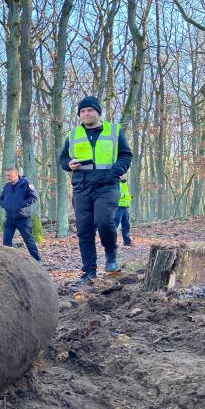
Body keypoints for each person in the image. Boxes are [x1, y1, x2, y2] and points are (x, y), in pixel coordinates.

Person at [60, 95, 132, 282]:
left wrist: (113, 173)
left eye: (90, 110)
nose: (86, 114)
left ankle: (110, 253)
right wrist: (70, 164)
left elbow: (125, 155)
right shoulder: (73, 135)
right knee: (84, 230)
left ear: (98, 112)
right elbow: (63, 160)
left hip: (107, 185)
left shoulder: (114, 131)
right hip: (82, 186)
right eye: (82, 111)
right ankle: (89, 271)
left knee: (105, 221)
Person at [0, 167, 41, 262]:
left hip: (23, 218)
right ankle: (8, 261)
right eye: (7, 176)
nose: (8, 178)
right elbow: (1, 198)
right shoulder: (6, 186)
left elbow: (34, 197)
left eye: (10, 175)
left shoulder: (25, 183)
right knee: (6, 241)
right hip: (9, 218)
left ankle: (37, 260)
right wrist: (4, 205)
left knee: (28, 240)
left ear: (16, 174)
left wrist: (22, 204)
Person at [115, 175, 133, 247]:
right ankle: (112, 242)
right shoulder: (116, 182)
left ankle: (127, 242)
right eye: (122, 175)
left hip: (125, 207)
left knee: (126, 225)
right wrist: (123, 196)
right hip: (118, 207)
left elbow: (125, 193)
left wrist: (129, 196)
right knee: (115, 225)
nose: (124, 176)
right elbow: (116, 194)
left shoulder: (123, 183)